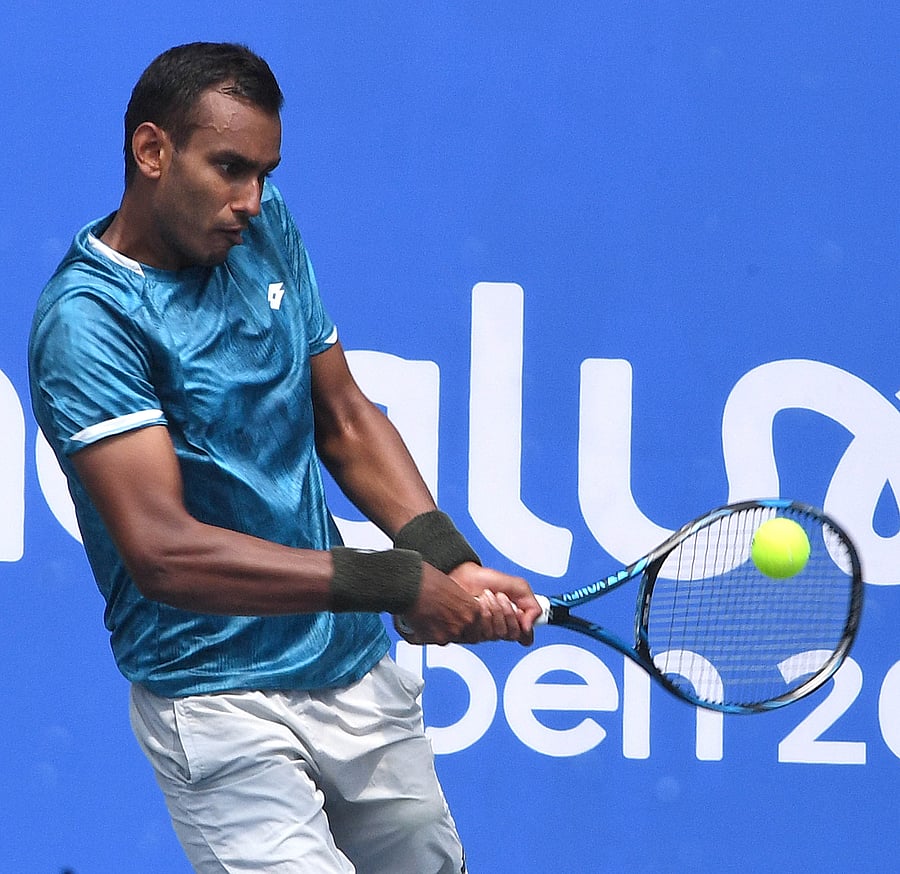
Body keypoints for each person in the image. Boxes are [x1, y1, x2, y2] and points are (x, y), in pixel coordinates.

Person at [29, 41, 541, 874]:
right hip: (214, 698)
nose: (251, 201)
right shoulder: (89, 323)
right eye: (229, 168)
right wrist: (395, 582)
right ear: (151, 151)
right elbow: (163, 552)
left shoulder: (264, 232)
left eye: (264, 172)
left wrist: (444, 559)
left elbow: (342, 416)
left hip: (354, 679)